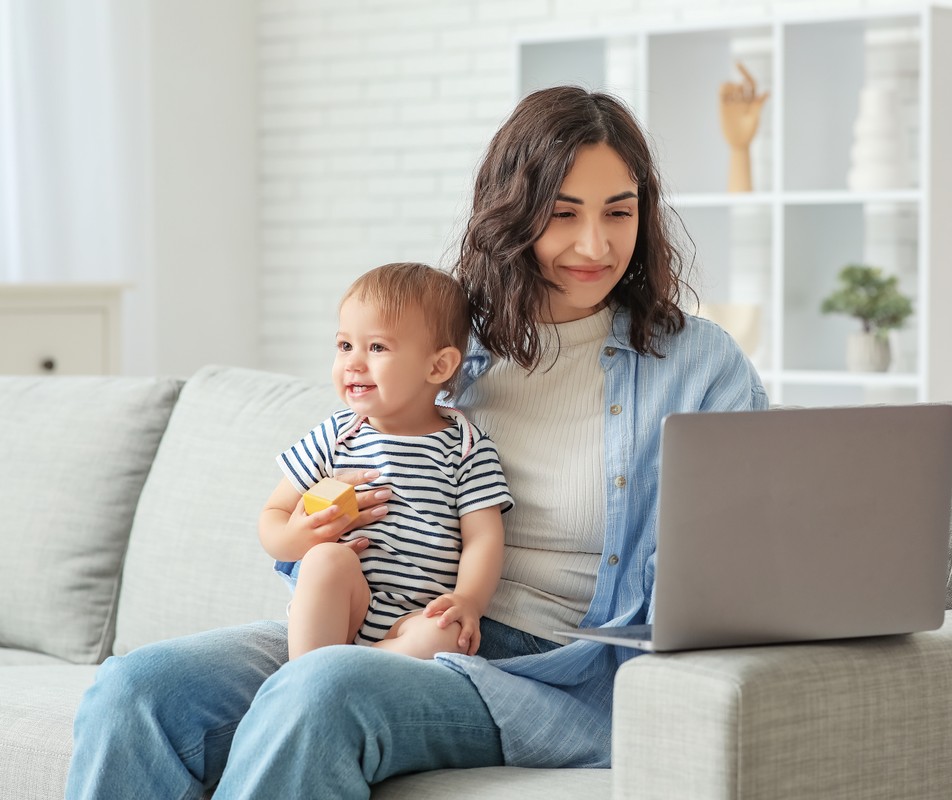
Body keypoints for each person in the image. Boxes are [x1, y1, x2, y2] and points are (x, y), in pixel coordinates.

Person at [67, 86, 767, 798]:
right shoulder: (447, 345)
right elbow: (341, 463)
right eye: (563, 214)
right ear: (515, 214)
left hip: (553, 670)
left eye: (619, 211)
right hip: (384, 622)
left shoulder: (698, 365)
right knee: (136, 689)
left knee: (321, 694)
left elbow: (755, 546)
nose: (596, 245)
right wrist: (319, 531)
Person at [263, 262, 511, 661]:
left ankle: (354, 670)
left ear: (438, 366)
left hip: (413, 618)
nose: (353, 363)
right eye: (345, 346)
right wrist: (300, 538)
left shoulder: (466, 447)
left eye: (376, 347)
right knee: (327, 559)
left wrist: (468, 599)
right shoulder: (337, 434)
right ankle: (308, 676)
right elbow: (274, 514)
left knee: (446, 636)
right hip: (344, 606)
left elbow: (483, 538)